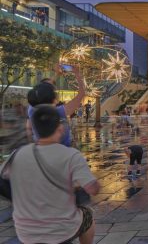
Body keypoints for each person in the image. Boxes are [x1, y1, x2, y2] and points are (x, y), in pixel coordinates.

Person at [4, 105, 100, 243]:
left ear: (33, 129)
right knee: (88, 216)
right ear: (60, 129)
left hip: (25, 231)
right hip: (62, 229)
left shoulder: (17, 154)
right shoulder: (71, 155)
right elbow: (93, 189)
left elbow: (4, 179)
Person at [26, 69, 86, 147]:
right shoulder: (58, 112)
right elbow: (82, 93)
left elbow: (44, 88)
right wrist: (77, 74)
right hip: (62, 151)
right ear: (54, 100)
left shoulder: (32, 109)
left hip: (40, 148)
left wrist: (56, 74)